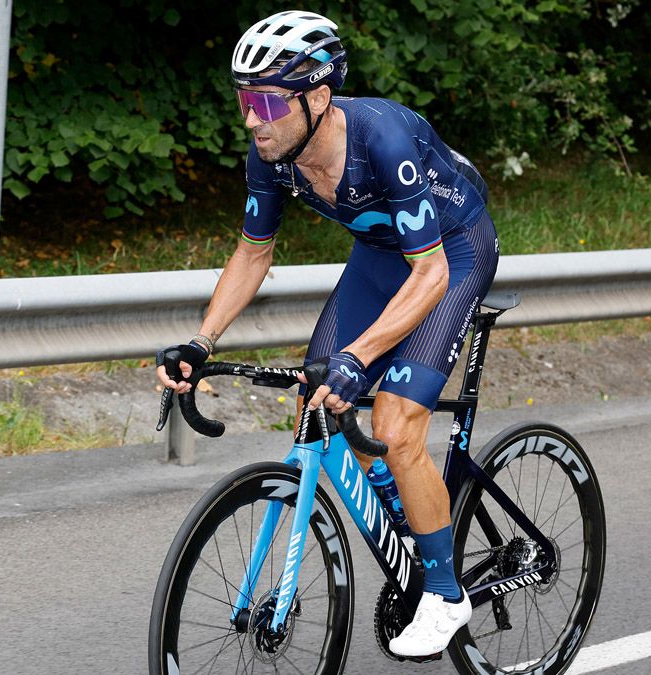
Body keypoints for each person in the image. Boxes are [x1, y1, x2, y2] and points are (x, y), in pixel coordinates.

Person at [155, 10, 499, 657]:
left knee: (396, 425)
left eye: (264, 101)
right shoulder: (275, 155)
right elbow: (254, 252)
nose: (251, 118)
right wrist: (202, 342)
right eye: (243, 101)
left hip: (451, 252)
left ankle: (446, 592)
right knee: (318, 401)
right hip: (380, 252)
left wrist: (360, 355)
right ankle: (410, 520)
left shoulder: (383, 140)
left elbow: (429, 275)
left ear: (317, 97)